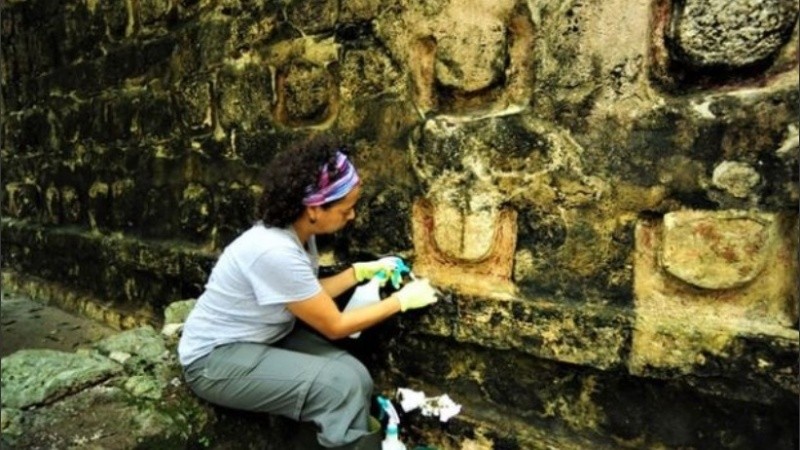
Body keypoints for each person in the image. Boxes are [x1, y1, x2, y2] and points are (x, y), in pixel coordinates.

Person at [177, 134, 439, 450]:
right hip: (214, 360)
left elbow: (306, 292)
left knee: (355, 374)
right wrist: (401, 301)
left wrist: (358, 272)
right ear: (314, 208)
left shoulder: (298, 234)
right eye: (346, 209)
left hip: (259, 337)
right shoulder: (274, 250)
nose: (352, 216)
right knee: (339, 387)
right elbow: (335, 325)